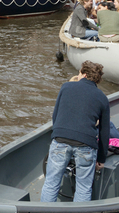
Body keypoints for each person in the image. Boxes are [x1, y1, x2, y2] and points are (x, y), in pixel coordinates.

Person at [40, 61, 110, 203]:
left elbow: (55, 116)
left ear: (84, 74)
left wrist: (58, 134)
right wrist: (101, 158)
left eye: (79, 73)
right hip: (86, 145)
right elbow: (104, 131)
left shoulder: (66, 87)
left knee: (51, 183)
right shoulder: (102, 98)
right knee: (84, 187)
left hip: (61, 141)